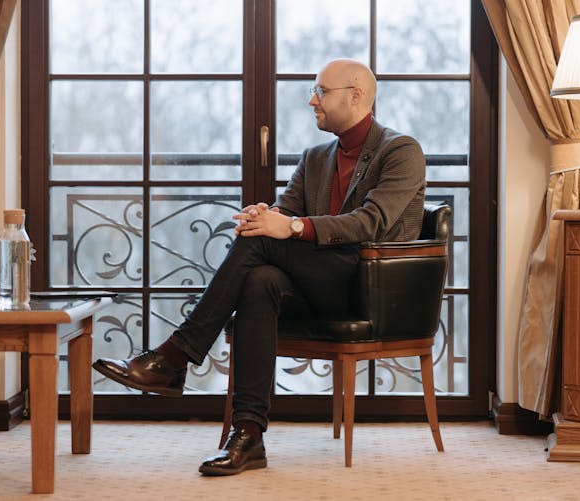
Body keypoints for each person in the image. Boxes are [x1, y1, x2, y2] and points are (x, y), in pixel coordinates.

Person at [92, 58, 426, 476]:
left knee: (263, 243)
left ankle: (175, 357)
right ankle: (248, 436)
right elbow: (286, 212)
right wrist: (264, 215)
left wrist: (286, 226)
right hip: (314, 282)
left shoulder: (401, 151)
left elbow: (369, 223)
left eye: (321, 91)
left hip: (366, 285)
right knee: (259, 280)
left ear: (356, 95)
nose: (312, 100)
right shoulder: (316, 156)